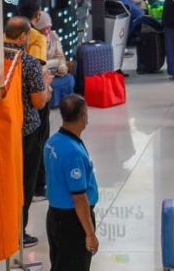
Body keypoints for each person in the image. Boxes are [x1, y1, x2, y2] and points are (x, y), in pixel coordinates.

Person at [4, 16, 50, 248]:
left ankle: (0, 229)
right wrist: (47, 86)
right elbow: (39, 101)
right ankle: (18, 231)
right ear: (23, 37)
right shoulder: (28, 62)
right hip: (26, 131)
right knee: (25, 180)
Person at [43, 95, 99, 270]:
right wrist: (90, 233)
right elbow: (79, 198)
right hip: (72, 221)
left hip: (55, 216)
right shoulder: (72, 153)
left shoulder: (52, 142)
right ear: (83, 116)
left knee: (60, 264)